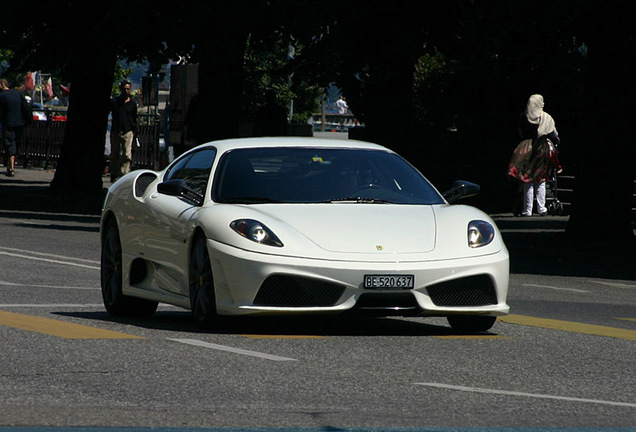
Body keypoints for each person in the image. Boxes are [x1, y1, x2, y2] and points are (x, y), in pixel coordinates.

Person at [507, 94, 561, 216]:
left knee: (528, 180)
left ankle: (527, 210)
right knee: (541, 180)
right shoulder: (546, 117)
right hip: (541, 149)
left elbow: (520, 132)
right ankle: (542, 208)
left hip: (526, 148)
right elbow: (554, 134)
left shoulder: (523, 117)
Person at [110, 80, 137, 182]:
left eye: (128, 89)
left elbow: (135, 117)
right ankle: (114, 173)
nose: (126, 91)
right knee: (114, 154)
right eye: (124, 89)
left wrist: (135, 129)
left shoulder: (132, 104)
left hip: (128, 130)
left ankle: (124, 173)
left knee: (127, 154)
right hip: (116, 130)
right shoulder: (114, 102)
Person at [0, 79, 27, 177]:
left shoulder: (2, 96)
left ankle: (11, 167)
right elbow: (25, 107)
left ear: (1, 85)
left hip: (8, 124)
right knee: (16, 143)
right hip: (19, 123)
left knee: (9, 144)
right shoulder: (17, 94)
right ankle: (11, 165)